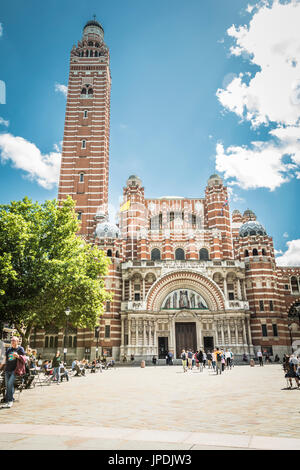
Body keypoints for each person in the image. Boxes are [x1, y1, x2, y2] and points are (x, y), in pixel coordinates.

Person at [0, 336, 26, 408]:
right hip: (7, 370)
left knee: (9, 384)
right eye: (11, 340)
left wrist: (18, 356)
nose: (12, 342)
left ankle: (10, 401)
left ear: (17, 342)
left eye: (14, 340)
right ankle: (9, 400)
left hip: (15, 370)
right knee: (8, 385)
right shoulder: (9, 349)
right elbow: (5, 359)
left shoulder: (20, 349)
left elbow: (24, 359)